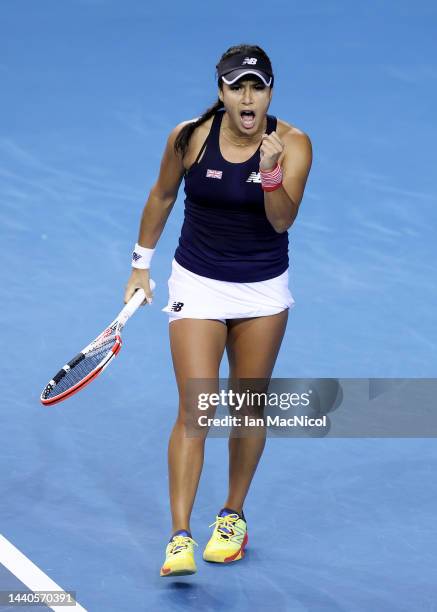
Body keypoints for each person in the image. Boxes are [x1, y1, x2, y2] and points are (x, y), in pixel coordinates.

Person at [124, 43, 312, 577]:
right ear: (221, 92)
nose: (248, 97)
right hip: (198, 283)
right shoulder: (190, 138)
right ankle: (180, 535)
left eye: (257, 86)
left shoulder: (293, 144)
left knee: (248, 408)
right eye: (237, 87)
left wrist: (271, 174)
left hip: (262, 293)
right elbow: (162, 196)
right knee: (196, 409)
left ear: (270, 91)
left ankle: (232, 516)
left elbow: (281, 222)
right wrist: (140, 264)